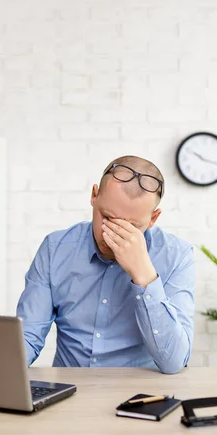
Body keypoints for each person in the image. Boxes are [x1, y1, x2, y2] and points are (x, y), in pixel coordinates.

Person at [16, 155, 195, 374]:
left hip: (141, 398)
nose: (113, 235)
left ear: (153, 219)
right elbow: (27, 336)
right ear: (94, 196)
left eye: (132, 226)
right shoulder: (56, 248)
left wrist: (144, 275)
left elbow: (174, 362)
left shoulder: (177, 256)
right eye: (108, 218)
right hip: (71, 392)